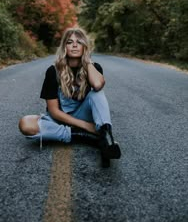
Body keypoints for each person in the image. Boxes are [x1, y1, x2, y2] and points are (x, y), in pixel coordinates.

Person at [19, 27, 121, 168]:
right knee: (25, 123)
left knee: (97, 93)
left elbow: (97, 85)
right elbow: (54, 111)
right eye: (70, 42)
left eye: (79, 42)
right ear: (64, 47)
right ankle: (87, 136)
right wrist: (86, 126)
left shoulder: (94, 67)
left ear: (84, 46)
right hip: (59, 120)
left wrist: (88, 62)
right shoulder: (53, 71)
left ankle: (106, 137)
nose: (74, 45)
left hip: (83, 114)